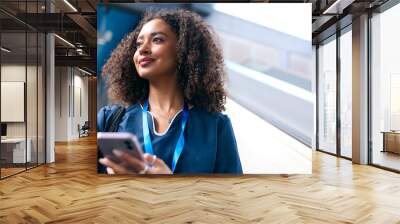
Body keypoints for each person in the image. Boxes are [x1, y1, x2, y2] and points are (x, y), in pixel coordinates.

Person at [98, 8, 242, 174]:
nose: (142, 49)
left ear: (183, 50)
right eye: (138, 44)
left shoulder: (216, 127)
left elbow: (231, 197)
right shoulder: (109, 119)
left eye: (157, 40)